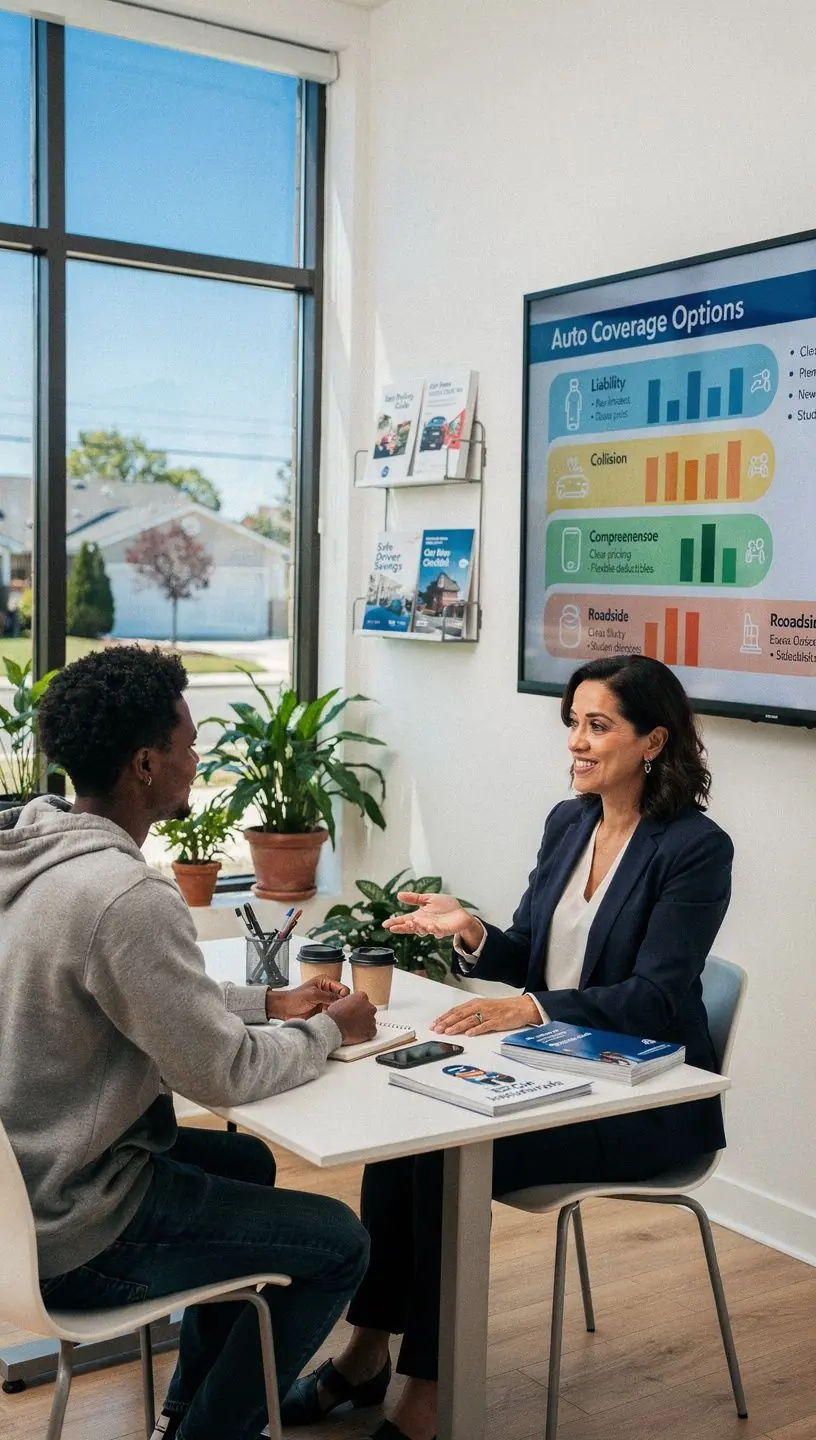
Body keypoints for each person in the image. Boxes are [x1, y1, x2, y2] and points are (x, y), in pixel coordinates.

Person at [282, 654, 733, 1440]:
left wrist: (524, 1008)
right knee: (406, 1136)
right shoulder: (570, 822)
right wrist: (474, 933)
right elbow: (532, 954)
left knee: (442, 1156)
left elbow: (656, 997)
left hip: (638, 1098)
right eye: (573, 724)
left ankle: (426, 1389)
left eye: (599, 726)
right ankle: (365, 1353)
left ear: (654, 741)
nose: (577, 743)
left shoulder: (694, 848)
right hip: (542, 1069)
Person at [0, 645, 378, 1440]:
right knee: (341, 1243)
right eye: (188, 745)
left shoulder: (34, 852)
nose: (197, 760)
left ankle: (184, 1412)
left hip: (19, 1198)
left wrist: (267, 1000)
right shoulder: (125, 894)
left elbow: (133, 993)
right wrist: (324, 1029)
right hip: (78, 1226)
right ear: (145, 764)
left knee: (245, 1163)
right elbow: (224, 1073)